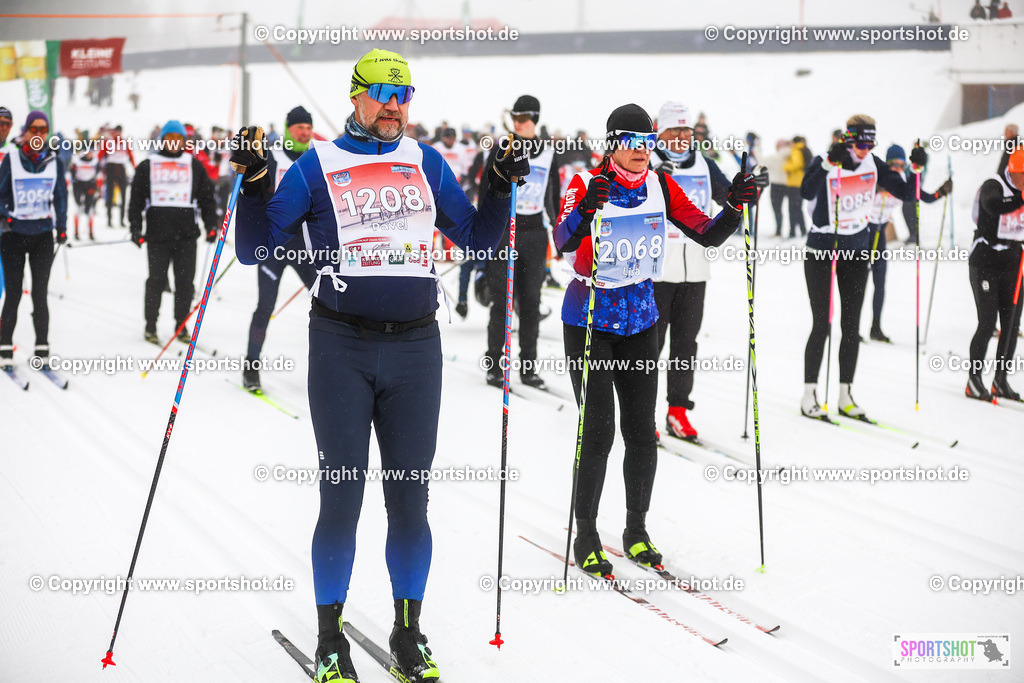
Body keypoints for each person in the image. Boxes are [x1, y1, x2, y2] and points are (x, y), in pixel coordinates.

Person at [231, 48, 524, 683]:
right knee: (341, 497)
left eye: (404, 94)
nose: (394, 106)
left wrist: (499, 185)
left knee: (410, 501)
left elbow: (480, 239)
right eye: (383, 94)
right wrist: (254, 185)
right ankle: (329, 638)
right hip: (342, 346)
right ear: (356, 95)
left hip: (416, 350)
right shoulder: (316, 165)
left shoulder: (426, 161)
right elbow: (255, 249)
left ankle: (408, 633)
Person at [553, 103, 756, 577]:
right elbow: (562, 241)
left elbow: (707, 234)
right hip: (590, 321)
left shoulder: (661, 185)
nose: (642, 151)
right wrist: (585, 210)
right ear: (612, 145)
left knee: (642, 433)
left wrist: (734, 206)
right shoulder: (585, 182)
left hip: (641, 322)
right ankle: (586, 535)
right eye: (632, 142)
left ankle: (636, 531)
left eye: (647, 142)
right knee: (598, 431)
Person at [799, 117, 951, 421]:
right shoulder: (826, 159)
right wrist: (829, 163)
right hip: (822, 251)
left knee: (851, 326)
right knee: (822, 325)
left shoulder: (874, 163)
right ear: (848, 139)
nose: (864, 149)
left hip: (856, 251)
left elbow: (907, 193)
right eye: (860, 143)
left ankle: (845, 395)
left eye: (870, 144)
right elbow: (806, 191)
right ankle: (809, 393)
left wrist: (916, 169)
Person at [649, 101, 733, 441]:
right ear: (661, 133)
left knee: (686, 345)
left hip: (696, 270)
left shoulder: (705, 164)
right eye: (676, 129)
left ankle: (678, 410)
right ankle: (642, 412)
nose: (683, 135)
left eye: (687, 129)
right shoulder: (647, 162)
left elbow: (731, 199)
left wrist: (749, 190)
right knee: (649, 347)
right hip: (655, 272)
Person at [480, 94, 564, 389]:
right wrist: (485, 230)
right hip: (506, 231)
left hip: (534, 234)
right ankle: (494, 364)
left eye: (524, 118)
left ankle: (528, 367)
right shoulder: (502, 148)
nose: (518, 123)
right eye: (515, 118)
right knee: (502, 301)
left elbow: (553, 197)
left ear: (535, 120)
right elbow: (485, 189)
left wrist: (559, 234)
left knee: (531, 303)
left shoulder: (549, 153)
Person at [241, 106, 320, 392]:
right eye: (300, 127)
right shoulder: (272, 158)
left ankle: (327, 366)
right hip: (273, 247)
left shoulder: (316, 160)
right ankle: (251, 366)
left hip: (304, 248)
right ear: (288, 130)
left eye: (308, 128)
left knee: (325, 304)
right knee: (265, 306)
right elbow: (255, 194)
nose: (305, 132)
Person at [129, 120, 219, 344]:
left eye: (178, 138)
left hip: (187, 236)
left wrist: (211, 225)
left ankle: (181, 324)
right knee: (156, 282)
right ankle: (151, 325)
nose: (174, 142)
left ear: (184, 141)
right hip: (157, 236)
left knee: (185, 283)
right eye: (170, 137)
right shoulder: (148, 165)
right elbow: (136, 200)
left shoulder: (193, 165)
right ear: (162, 139)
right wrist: (135, 227)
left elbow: (207, 198)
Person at [0, 111, 68, 368]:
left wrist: (61, 226)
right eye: (34, 129)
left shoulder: (54, 162)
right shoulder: (12, 159)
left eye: (43, 130)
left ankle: (42, 346)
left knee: (40, 294)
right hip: (14, 235)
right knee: (14, 293)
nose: (39, 134)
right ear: (26, 132)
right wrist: (4, 217)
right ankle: (5, 346)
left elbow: (60, 196)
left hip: (42, 236)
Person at [864, 144, 949, 342]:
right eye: (893, 164)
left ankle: (876, 327)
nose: (898, 169)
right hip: (863, 232)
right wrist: (875, 188)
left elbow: (924, 196)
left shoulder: (902, 180)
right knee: (858, 282)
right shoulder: (879, 176)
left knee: (880, 282)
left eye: (902, 165)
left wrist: (942, 191)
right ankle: (851, 329)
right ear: (887, 164)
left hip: (880, 234)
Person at [966, 148, 1024, 401]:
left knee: (1011, 324)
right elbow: (992, 206)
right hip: (985, 261)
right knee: (988, 322)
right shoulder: (994, 185)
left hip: (1012, 263)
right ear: (1013, 171)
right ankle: (973, 380)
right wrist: (1020, 200)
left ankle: (1000, 380)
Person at [98, 124, 134, 227]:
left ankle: (122, 220)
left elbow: (130, 156)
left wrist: (135, 168)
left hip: (121, 168)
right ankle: (109, 219)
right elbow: (100, 155)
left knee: (123, 195)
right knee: (110, 194)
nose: (117, 134)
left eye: (119, 132)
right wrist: (99, 168)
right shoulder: (108, 142)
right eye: (116, 132)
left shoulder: (125, 143)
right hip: (111, 168)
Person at [70, 149, 101, 240]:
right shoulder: (77, 161)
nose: (89, 154)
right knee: (77, 208)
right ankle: (76, 232)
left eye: (91, 152)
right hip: (78, 185)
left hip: (90, 185)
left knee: (90, 209)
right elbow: (71, 173)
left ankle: (90, 232)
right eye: (88, 152)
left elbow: (99, 175)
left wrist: (98, 188)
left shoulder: (95, 162)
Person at [763, 139, 790, 236]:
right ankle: (795, 230)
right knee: (793, 208)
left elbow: (762, 162)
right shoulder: (792, 156)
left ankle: (779, 230)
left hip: (776, 185)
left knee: (777, 209)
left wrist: (756, 148)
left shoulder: (774, 157)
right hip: (789, 185)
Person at [783, 136, 809, 238]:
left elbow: (797, 164)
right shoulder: (803, 149)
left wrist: (786, 166)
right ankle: (802, 230)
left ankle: (793, 231)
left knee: (793, 208)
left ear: (794, 142)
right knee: (797, 208)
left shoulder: (796, 150)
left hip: (795, 183)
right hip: (800, 182)